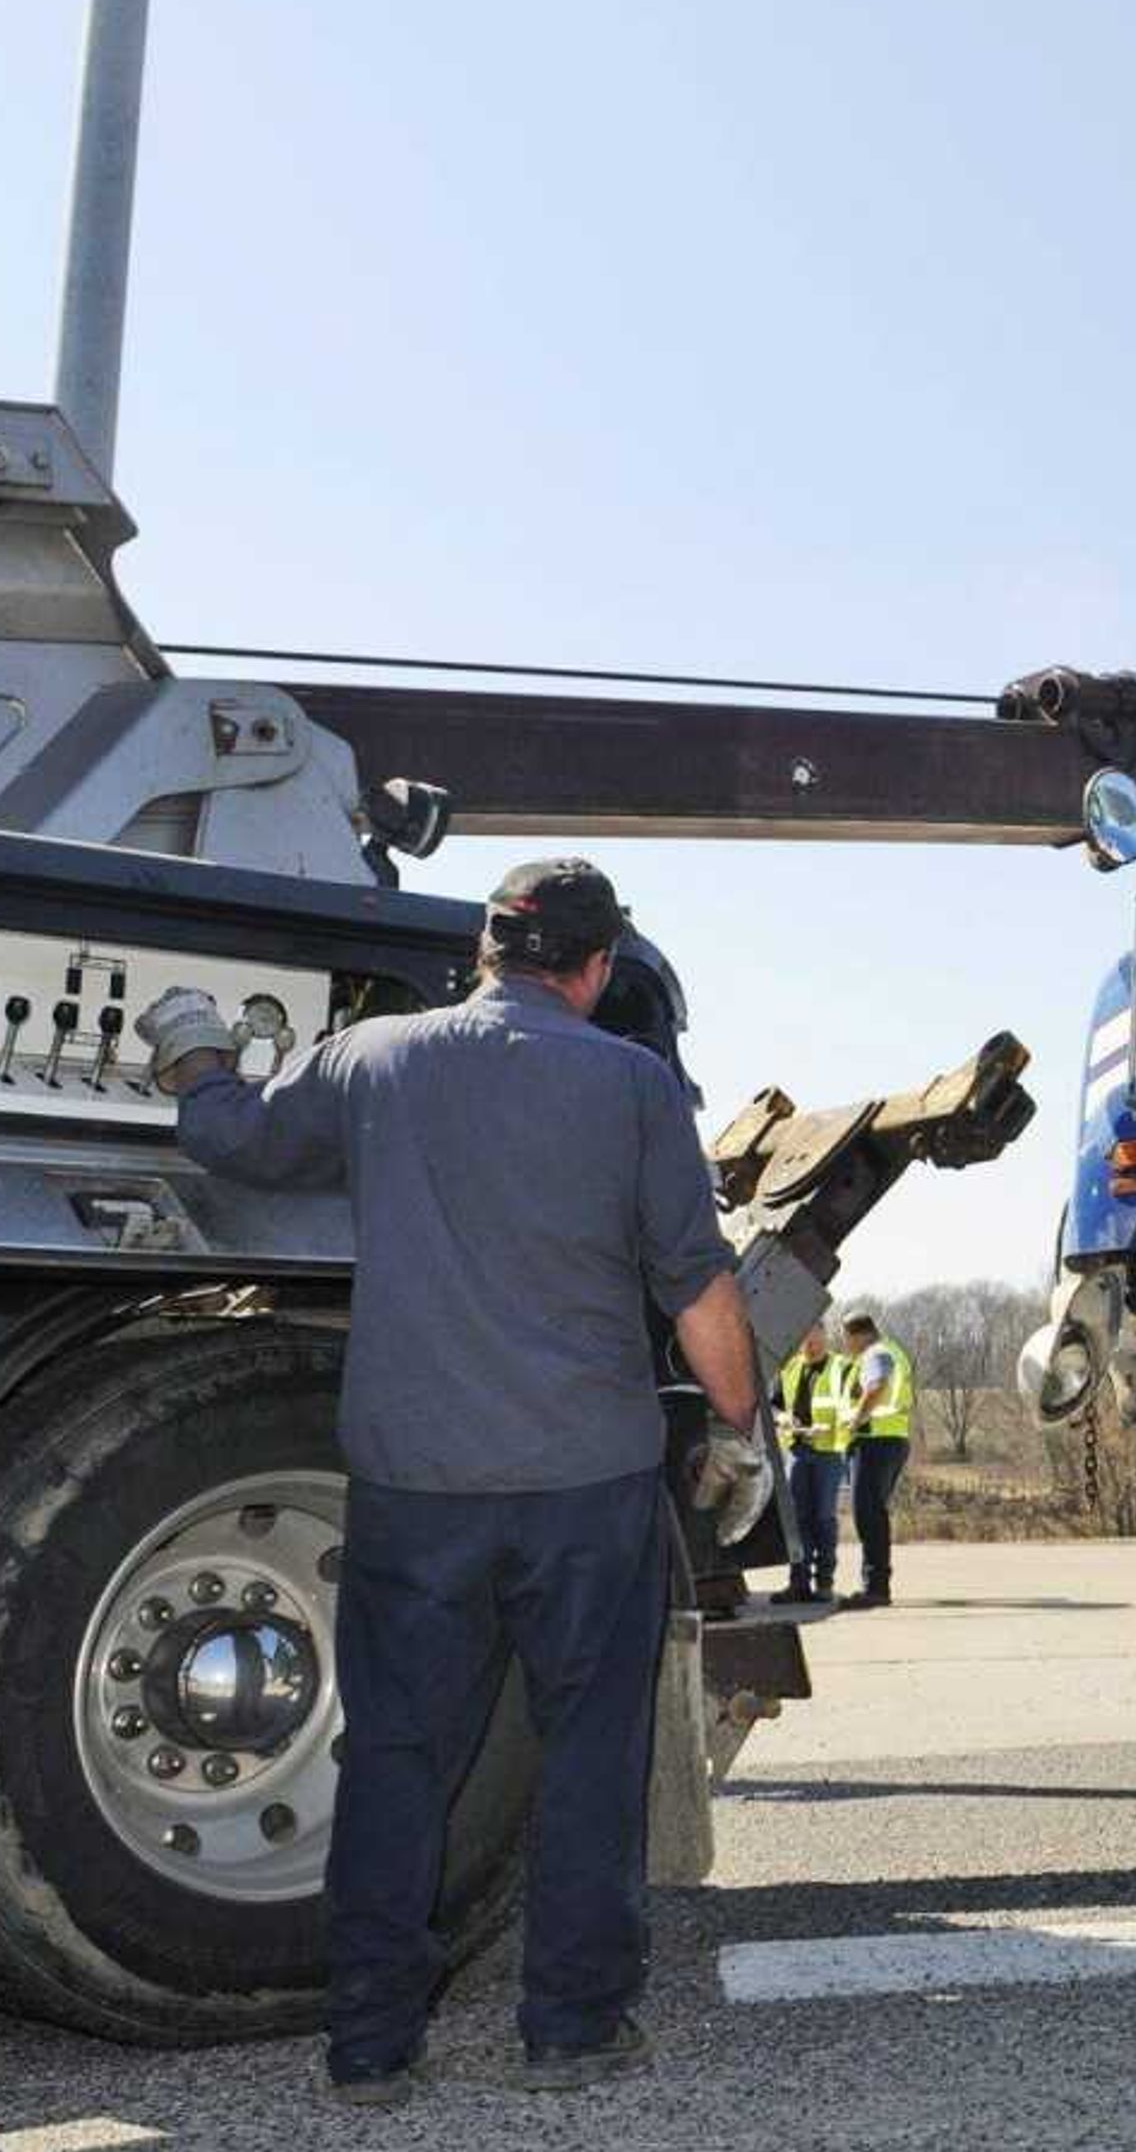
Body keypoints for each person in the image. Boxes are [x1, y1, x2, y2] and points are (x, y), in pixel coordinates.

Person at [135, 856, 765, 2108]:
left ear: (484, 953)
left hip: (418, 1487)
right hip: (588, 1487)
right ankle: (572, 2029)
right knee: (590, 1750)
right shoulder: (633, 1084)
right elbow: (697, 1284)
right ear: (593, 969)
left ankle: (370, 2042)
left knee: (401, 1755)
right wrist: (741, 1428)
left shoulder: (377, 1058)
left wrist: (195, 1049)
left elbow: (237, 1141)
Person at [770, 1323, 855, 1605]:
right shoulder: (790, 1369)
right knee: (797, 1520)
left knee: (823, 1518)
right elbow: (774, 1404)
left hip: (828, 1452)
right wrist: (782, 1418)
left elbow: (855, 1404)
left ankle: (824, 1582)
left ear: (825, 1338)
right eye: (805, 1343)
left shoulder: (841, 1368)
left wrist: (829, 1425)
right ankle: (798, 1582)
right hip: (796, 1450)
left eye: (815, 1341)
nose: (810, 1347)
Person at [839, 1310, 913, 1610]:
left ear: (857, 1334)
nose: (846, 1346)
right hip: (892, 1440)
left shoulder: (875, 1354)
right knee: (874, 1514)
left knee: (867, 1516)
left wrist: (857, 1419)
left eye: (846, 1339)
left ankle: (876, 1588)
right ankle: (877, 1584)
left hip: (874, 1442)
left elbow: (876, 1386)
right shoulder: (893, 1350)